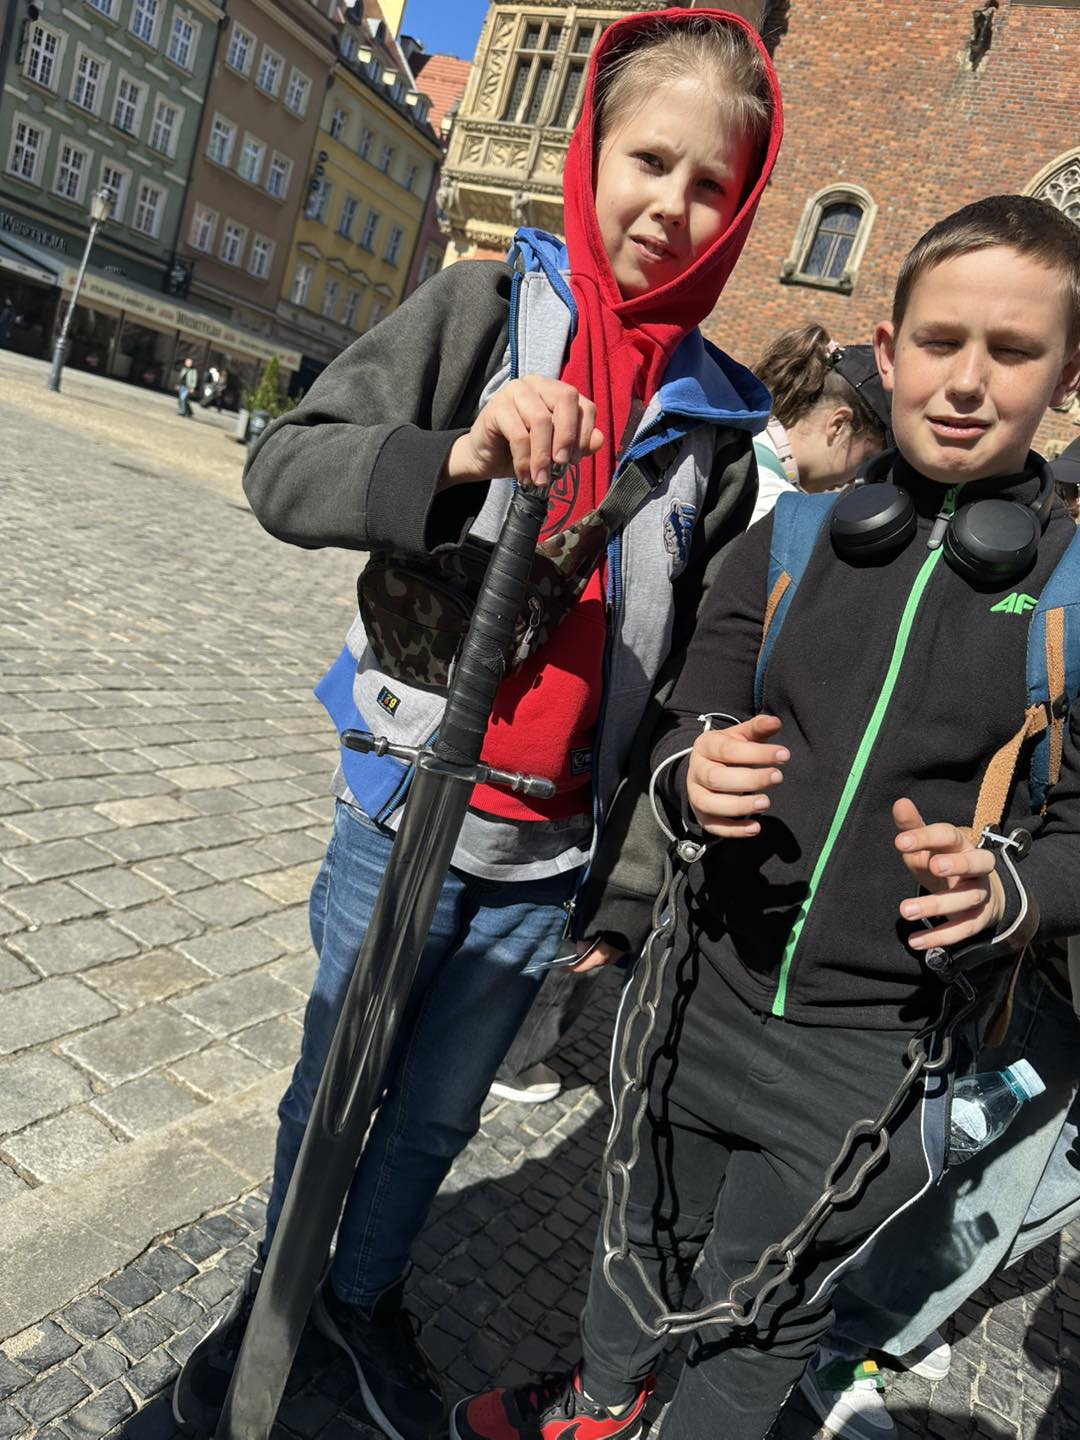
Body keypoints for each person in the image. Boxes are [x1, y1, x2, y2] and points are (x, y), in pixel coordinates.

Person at [172, 11, 783, 1440]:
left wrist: (625, 888)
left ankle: (359, 1299)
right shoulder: (483, 308)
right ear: (591, 152)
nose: (671, 205)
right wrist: (455, 450)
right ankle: (274, 1300)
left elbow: (680, 683)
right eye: (649, 162)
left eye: (711, 184)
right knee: (338, 1085)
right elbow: (285, 472)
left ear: (745, 208)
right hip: (404, 809)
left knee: (441, 1114)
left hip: (544, 859)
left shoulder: (715, 430)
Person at [451, 193, 1080, 1440]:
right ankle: (596, 1405)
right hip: (702, 988)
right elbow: (690, 712)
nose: (967, 381)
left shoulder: (1072, 595)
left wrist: (1013, 891)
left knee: (765, 1317)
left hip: (874, 1052)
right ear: (886, 351)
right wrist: (692, 773)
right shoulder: (788, 539)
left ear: (1067, 378)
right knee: (635, 1237)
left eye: (1013, 352)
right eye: (940, 341)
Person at [799, 431, 1080, 1440]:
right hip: (1044, 960)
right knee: (967, 1153)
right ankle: (831, 1338)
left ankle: (870, 1319)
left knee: (1041, 1181)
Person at [750, 322, 890, 524]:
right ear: (839, 425)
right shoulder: (774, 508)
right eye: (866, 459)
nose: (853, 479)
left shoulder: (741, 440)